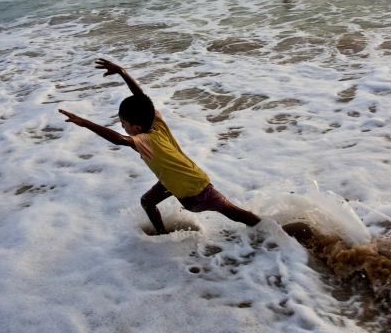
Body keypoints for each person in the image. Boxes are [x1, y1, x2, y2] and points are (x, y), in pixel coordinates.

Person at [59, 59, 261, 235]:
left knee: (236, 215)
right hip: (172, 180)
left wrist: (85, 123)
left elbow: (119, 140)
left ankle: (272, 231)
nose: (122, 127)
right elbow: (142, 99)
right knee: (147, 201)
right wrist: (122, 73)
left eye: (123, 124)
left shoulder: (144, 140)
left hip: (195, 186)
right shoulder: (156, 122)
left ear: (137, 127)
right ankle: (161, 234)